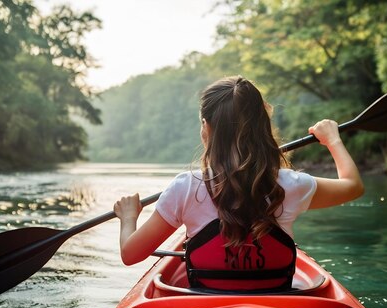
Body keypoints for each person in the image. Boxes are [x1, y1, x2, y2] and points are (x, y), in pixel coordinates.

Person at [114, 76, 363, 291]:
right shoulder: (290, 184)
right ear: (262, 125)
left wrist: (128, 216)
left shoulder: (185, 188)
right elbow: (353, 186)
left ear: (206, 127)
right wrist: (332, 140)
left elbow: (130, 254)